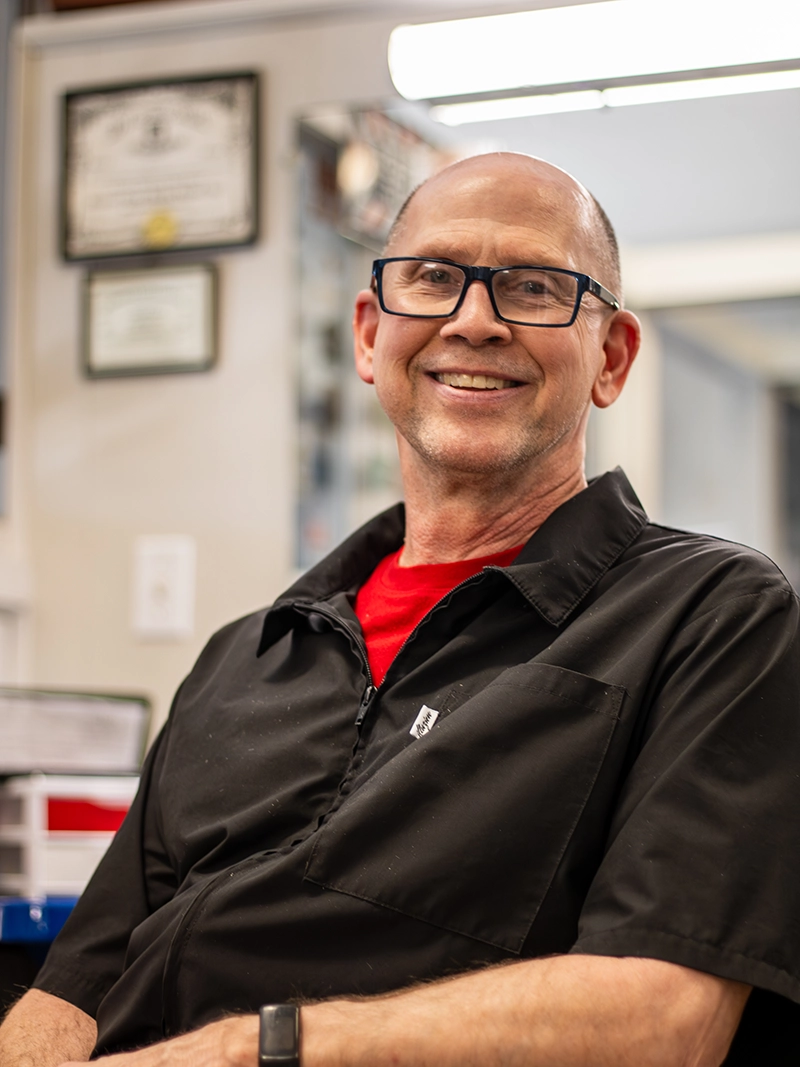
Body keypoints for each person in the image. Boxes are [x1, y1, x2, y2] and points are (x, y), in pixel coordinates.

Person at [2, 151, 799, 1067]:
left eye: (534, 288)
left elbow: (664, 1020)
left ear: (610, 357)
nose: (474, 320)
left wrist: (246, 1051)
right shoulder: (246, 655)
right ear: (369, 335)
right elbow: (74, 986)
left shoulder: (710, 616)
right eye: (432, 278)